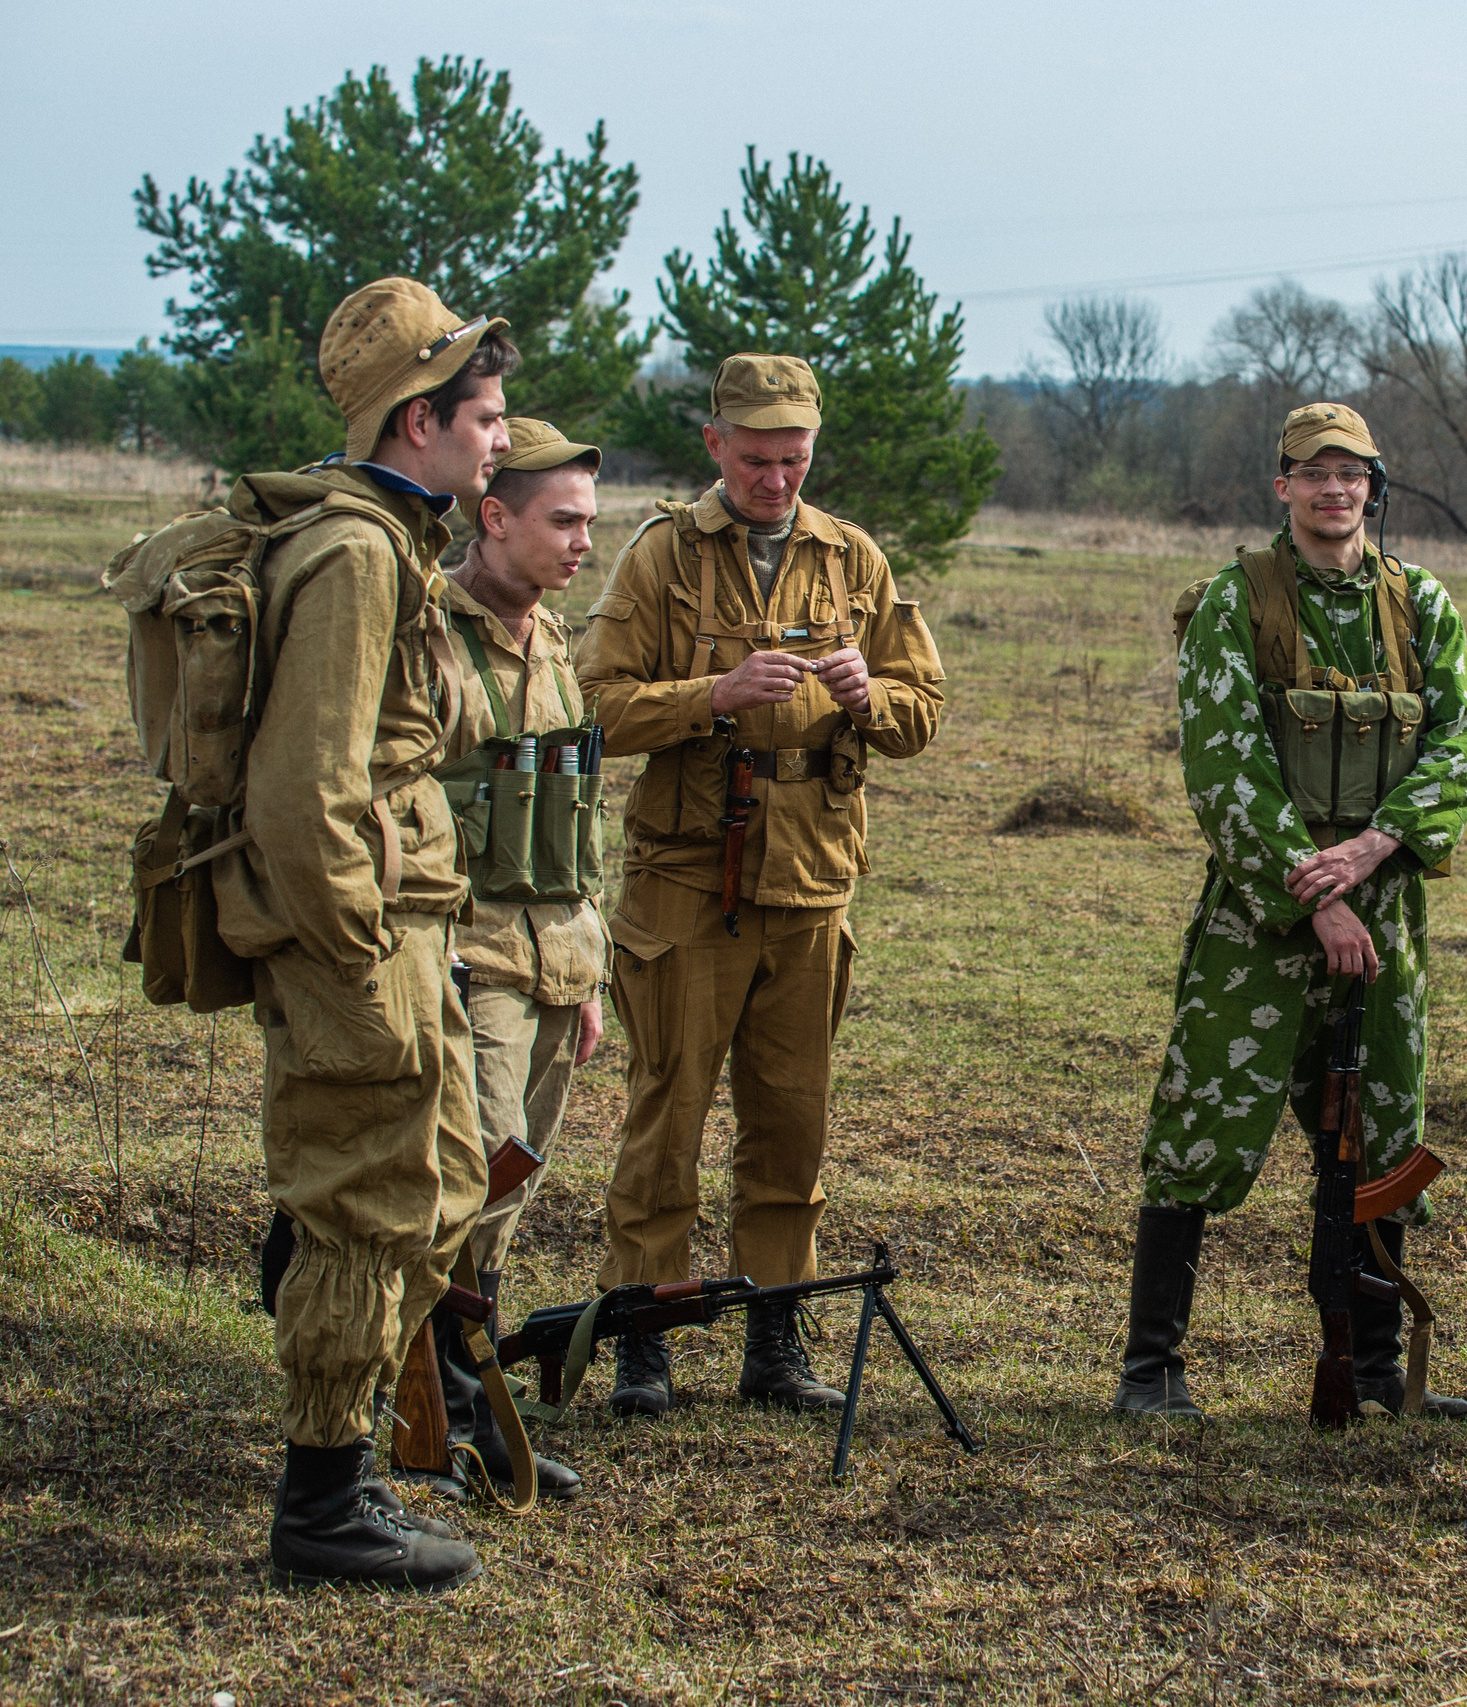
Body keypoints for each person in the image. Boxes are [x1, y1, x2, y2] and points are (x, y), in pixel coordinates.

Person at [576, 355, 946, 1418]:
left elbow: (923, 711)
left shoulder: (853, 560)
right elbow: (592, 707)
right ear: (714, 446)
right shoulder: (660, 558)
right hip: (688, 875)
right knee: (668, 1111)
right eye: (754, 460)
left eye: (792, 460)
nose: (775, 480)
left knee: (792, 1121)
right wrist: (715, 694)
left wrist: (871, 695)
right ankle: (642, 1340)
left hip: (813, 880)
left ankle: (774, 1345)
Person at [1113, 402, 1467, 1421]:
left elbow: (1462, 743)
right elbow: (1222, 763)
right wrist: (1313, 894)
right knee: (1200, 1130)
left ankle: (1370, 1369)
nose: (1334, 490)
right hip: (1258, 922)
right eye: (1313, 472)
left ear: (1373, 487)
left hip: (1387, 918)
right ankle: (1153, 1372)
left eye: (1352, 473)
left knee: (1377, 1138)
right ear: (1280, 486)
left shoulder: (1423, 608)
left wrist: (1374, 848)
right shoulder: (1237, 602)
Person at [237, 278, 512, 1588]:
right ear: (420, 420)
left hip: (407, 925)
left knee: (449, 1178)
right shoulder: (353, 555)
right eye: (486, 414)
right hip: (362, 937)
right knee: (369, 1197)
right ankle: (322, 1495)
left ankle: (318, 1326)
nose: (502, 437)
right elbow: (304, 790)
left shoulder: (395, 540)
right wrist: (352, 954)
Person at [422, 418, 609, 1498]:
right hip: (468, 961)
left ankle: (475, 1404)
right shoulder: (432, 637)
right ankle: (428, 1416)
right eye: (563, 520)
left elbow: (574, 822)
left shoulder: (551, 643)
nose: (584, 540)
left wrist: (589, 972)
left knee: (508, 1196)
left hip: (553, 965)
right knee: (459, 1191)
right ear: (494, 518)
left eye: (590, 520)